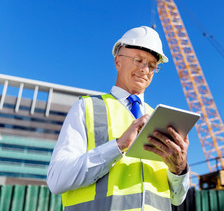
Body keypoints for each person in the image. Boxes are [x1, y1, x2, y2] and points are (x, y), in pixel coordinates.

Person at [47, 26, 190, 211]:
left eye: (152, 65)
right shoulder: (88, 108)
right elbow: (57, 180)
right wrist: (117, 146)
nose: (145, 69)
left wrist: (179, 170)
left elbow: (177, 199)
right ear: (118, 62)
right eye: (138, 60)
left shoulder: (160, 119)